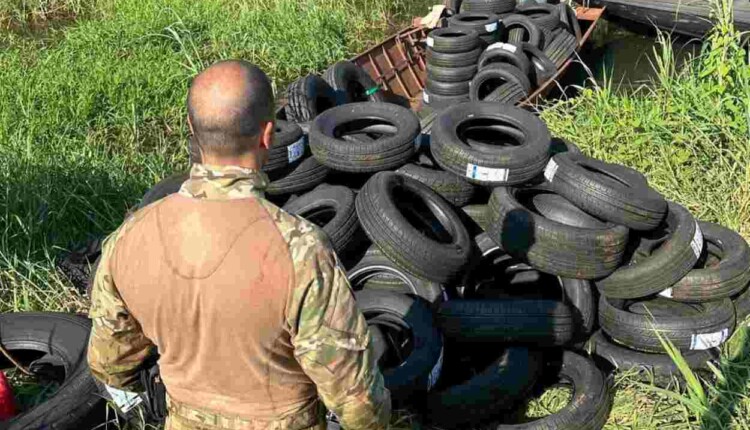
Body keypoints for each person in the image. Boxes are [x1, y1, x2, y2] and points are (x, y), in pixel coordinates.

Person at [87, 60, 391, 430]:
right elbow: (356, 400)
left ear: (191, 131)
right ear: (268, 136)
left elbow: (109, 363)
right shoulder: (300, 249)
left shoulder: (129, 237)